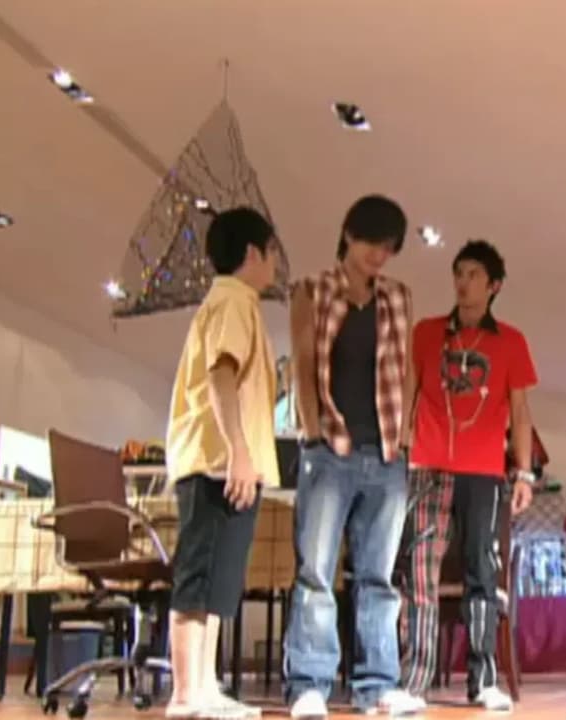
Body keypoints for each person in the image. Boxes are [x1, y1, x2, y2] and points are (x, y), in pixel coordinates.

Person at [284, 195, 426, 718]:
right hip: (330, 450)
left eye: (388, 247)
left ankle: (378, 684)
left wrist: (404, 434)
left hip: (386, 452)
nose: (378, 255)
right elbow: (302, 363)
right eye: (371, 242)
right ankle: (309, 684)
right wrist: (311, 430)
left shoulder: (398, 296)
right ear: (348, 234)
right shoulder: (312, 290)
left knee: (379, 577)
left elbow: (406, 368)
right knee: (316, 572)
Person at [399, 239, 538, 712]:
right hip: (427, 465)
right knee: (420, 571)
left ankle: (483, 680)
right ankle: (413, 680)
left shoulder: (511, 342)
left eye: (474, 274)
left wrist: (524, 473)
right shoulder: (426, 333)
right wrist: (399, 450)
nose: (463, 282)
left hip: (484, 472)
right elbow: (408, 395)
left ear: (494, 285)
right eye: (459, 272)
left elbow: (521, 413)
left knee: (483, 572)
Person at [164, 207, 282, 719]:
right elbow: (222, 375)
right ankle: (185, 693)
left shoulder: (240, 303)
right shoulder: (233, 300)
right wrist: (237, 449)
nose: (275, 263)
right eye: (272, 252)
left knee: (218, 581)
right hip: (216, 460)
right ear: (252, 252)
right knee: (199, 575)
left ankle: (205, 686)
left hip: (231, 462)